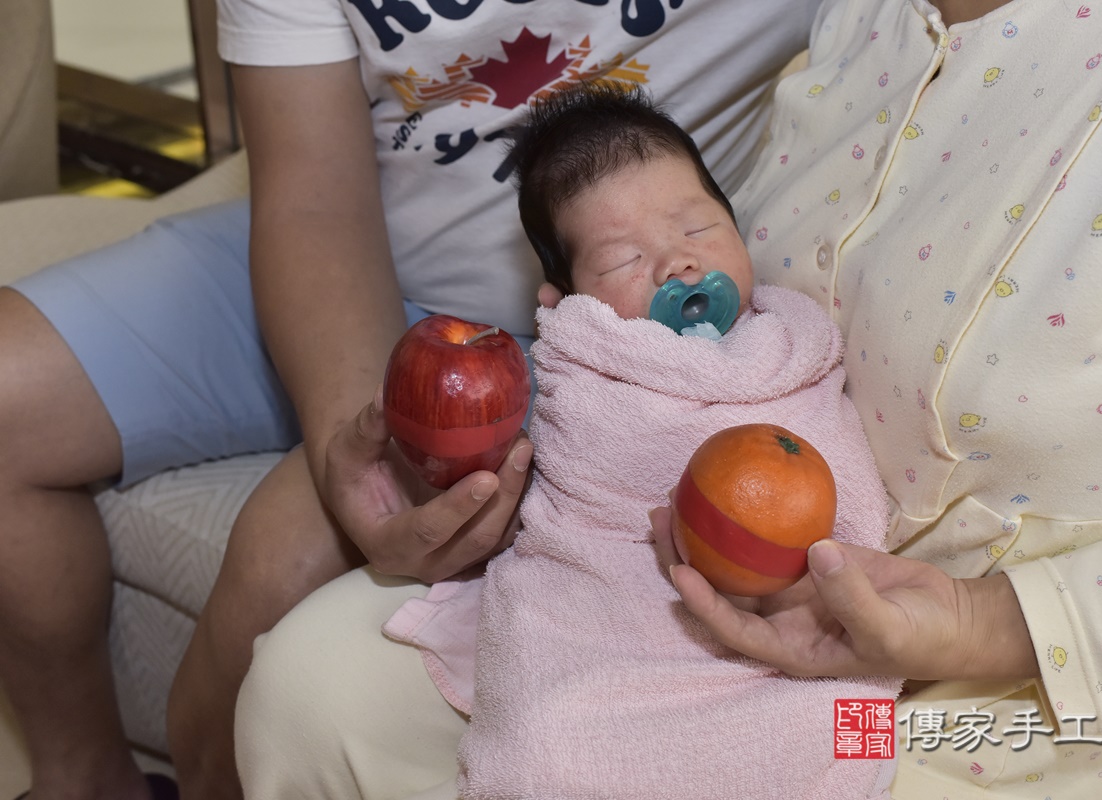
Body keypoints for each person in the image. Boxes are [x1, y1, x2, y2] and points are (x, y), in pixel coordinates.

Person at [234, 0, 1102, 798]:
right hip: (676, 615)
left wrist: (976, 622)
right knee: (313, 689)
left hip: (975, 701)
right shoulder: (863, 21)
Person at [0, 2, 825, 799]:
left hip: (585, 319)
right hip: (341, 242)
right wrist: (355, 442)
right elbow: (312, 196)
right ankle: (84, 784)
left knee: (274, 574)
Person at [384, 83, 900, 799]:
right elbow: (575, 499)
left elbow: (847, 492)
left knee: (834, 724)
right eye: (624, 259)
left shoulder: (793, 346)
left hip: (792, 623)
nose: (676, 265)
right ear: (565, 301)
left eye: (698, 229)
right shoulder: (581, 371)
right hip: (608, 637)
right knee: (545, 745)